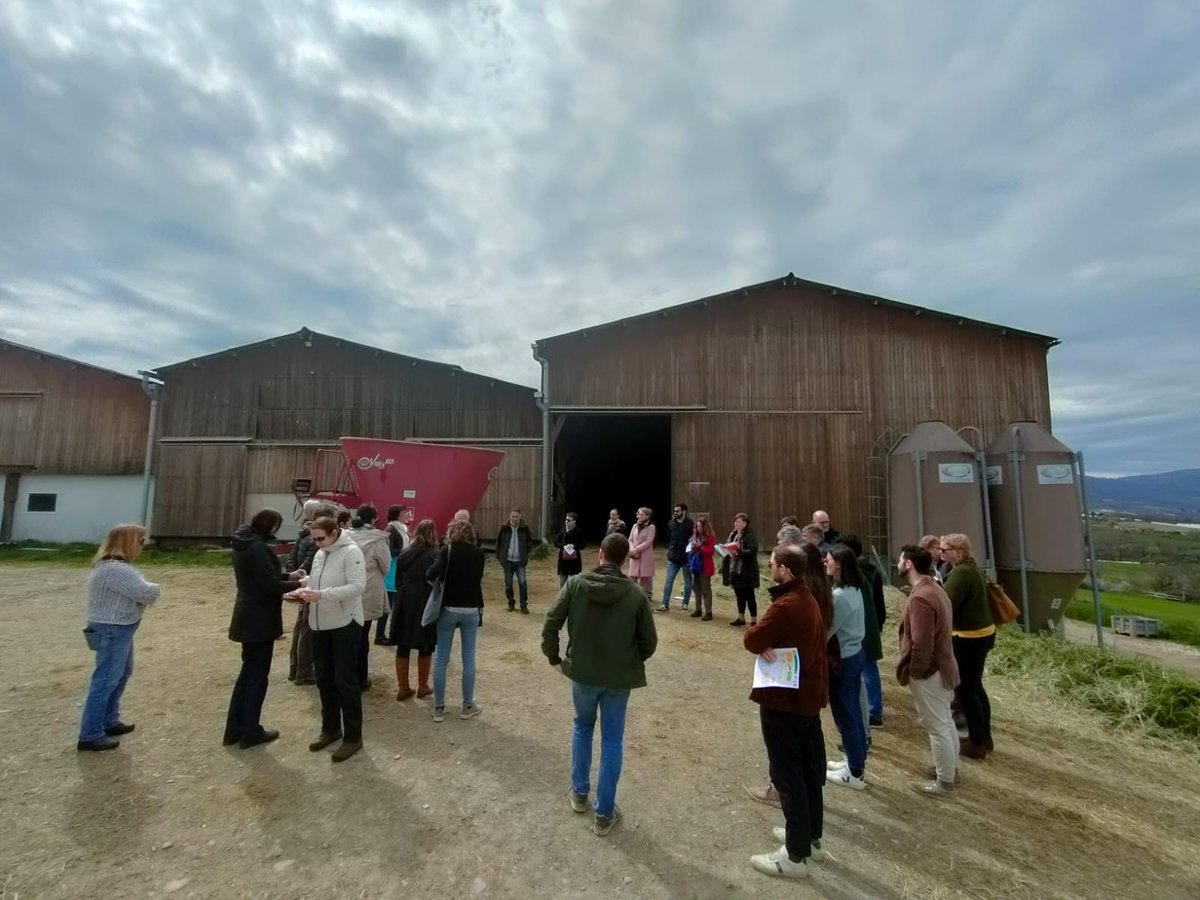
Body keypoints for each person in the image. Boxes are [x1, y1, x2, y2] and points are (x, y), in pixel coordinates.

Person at [541, 532, 658, 837]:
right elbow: (650, 641)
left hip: (582, 672)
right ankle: (604, 813)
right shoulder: (634, 594)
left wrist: (554, 657)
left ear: (601, 555)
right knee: (613, 740)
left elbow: (551, 622)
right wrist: (631, 660)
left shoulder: (576, 584)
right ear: (623, 560)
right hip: (618, 678)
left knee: (582, 727)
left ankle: (579, 794)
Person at [743, 544, 829, 879]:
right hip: (805, 699)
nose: (770, 567)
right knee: (809, 773)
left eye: (774, 564)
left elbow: (752, 638)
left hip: (785, 701)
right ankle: (809, 837)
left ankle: (794, 857)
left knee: (789, 774)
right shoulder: (807, 598)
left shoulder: (787, 605)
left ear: (787, 570)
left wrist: (761, 639)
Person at [224, 509, 304, 749]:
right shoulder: (258, 547)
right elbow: (268, 584)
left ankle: (235, 729)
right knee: (257, 676)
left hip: (247, 614)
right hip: (259, 618)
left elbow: (261, 576)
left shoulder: (244, 543)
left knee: (248, 674)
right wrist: (299, 583)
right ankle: (250, 731)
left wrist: (289, 574)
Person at [77, 524, 160, 752]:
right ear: (130, 542)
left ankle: (109, 720)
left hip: (117, 628)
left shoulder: (115, 567)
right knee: (106, 680)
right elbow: (148, 593)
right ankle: (91, 733)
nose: (144, 546)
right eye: (141, 541)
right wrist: (151, 588)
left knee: (121, 674)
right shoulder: (116, 569)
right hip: (112, 629)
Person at [291, 515, 366, 763]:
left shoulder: (352, 552)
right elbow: (320, 579)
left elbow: (357, 587)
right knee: (324, 679)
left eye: (320, 538)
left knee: (345, 681)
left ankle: (353, 736)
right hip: (320, 623)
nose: (317, 543)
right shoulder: (322, 553)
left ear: (335, 532)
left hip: (345, 623)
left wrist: (321, 594)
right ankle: (331, 728)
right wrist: (304, 587)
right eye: (314, 539)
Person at [896, 544, 961, 796]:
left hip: (931, 672)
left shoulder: (921, 597)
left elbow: (922, 642)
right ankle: (951, 770)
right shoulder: (935, 587)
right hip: (944, 665)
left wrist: (917, 670)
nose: (899, 564)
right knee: (944, 721)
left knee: (937, 726)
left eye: (901, 560)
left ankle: (944, 781)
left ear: (909, 564)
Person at [940, 533, 996, 759]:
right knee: (976, 687)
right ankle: (983, 736)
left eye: (945, 550)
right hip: (983, 633)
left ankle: (976, 743)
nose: (941, 554)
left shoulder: (961, 574)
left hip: (968, 637)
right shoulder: (972, 568)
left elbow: (946, 603)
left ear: (959, 551)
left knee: (966, 691)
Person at [427, 519, 486, 722]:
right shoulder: (479, 554)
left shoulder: (447, 551)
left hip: (448, 608)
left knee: (442, 658)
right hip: (471, 609)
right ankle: (468, 704)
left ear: (451, 532)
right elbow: (477, 579)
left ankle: (439, 707)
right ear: (471, 534)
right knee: (468, 658)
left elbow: (430, 573)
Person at [823, 545, 870, 791]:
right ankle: (854, 759)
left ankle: (855, 772)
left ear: (838, 564)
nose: (825, 562)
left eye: (828, 559)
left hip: (845, 658)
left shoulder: (840, 597)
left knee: (847, 714)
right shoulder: (850, 588)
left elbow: (828, 629)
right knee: (849, 713)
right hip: (853, 653)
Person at [389, 519, 439, 700]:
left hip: (405, 598)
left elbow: (397, 581)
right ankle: (423, 686)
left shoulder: (405, 554)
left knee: (403, 643)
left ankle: (403, 687)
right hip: (425, 598)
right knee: (425, 643)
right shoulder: (435, 554)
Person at [841, 534, 886, 729]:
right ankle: (874, 710)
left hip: (861, 626)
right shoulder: (872, 571)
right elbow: (880, 603)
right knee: (869, 668)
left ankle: (874, 711)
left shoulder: (854, 576)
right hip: (872, 624)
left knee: (867, 669)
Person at [286, 499, 333, 686]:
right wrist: (303, 584)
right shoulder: (317, 538)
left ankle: (294, 668)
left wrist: (294, 577)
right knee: (307, 628)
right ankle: (303, 672)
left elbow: (291, 558)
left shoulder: (302, 533)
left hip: (302, 584)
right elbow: (310, 564)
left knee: (300, 626)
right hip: (309, 586)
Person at [348, 504, 391, 691]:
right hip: (368, 588)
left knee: (346, 634)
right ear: (374, 519)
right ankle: (361, 678)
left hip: (347, 589)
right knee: (363, 635)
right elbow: (386, 566)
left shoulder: (344, 537)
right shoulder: (377, 539)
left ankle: (345, 675)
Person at [723, 514, 760, 627]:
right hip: (735, 570)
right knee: (739, 594)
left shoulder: (749, 536)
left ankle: (753, 620)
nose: (736, 524)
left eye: (738, 522)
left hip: (746, 570)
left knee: (749, 595)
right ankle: (741, 617)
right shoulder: (734, 534)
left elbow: (752, 551)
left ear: (745, 523)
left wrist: (738, 552)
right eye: (735, 522)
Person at [496, 508, 533, 613]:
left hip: (520, 561)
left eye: (517, 516)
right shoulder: (504, 528)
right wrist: (499, 556)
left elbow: (529, 542)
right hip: (507, 561)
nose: (515, 518)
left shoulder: (524, 528)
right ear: (510, 516)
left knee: (523, 582)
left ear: (520, 517)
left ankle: (523, 605)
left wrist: (527, 554)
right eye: (513, 516)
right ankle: (511, 603)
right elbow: (498, 542)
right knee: (508, 583)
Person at [659, 503, 694, 612]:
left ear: (684, 511)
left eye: (677, 511)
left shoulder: (690, 524)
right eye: (674, 511)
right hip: (673, 557)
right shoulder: (671, 523)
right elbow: (670, 537)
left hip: (686, 558)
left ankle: (685, 604)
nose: (675, 513)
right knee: (668, 581)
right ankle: (665, 604)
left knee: (688, 582)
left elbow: (693, 538)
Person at [687, 517, 717, 620]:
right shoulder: (695, 536)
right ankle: (698, 609)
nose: (698, 528)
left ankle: (708, 612)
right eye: (696, 526)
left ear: (704, 527)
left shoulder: (710, 537)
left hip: (705, 566)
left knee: (705, 589)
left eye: (699, 526)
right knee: (696, 587)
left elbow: (710, 551)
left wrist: (700, 547)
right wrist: (692, 546)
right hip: (695, 565)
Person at [628, 507, 657, 598]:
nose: (639, 516)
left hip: (645, 556)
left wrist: (636, 549)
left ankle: (646, 596)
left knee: (645, 578)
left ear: (647, 516)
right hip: (635, 556)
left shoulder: (651, 527)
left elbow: (649, 542)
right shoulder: (634, 526)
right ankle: (634, 596)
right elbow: (630, 539)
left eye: (642, 515)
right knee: (632, 577)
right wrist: (632, 549)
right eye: (639, 514)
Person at [555, 512, 586, 588]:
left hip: (574, 562)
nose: (566, 521)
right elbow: (555, 542)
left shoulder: (578, 532)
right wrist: (564, 546)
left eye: (569, 520)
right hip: (563, 561)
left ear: (574, 521)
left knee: (574, 584)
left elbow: (583, 545)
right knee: (562, 585)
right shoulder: (562, 531)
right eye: (566, 520)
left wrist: (574, 547)